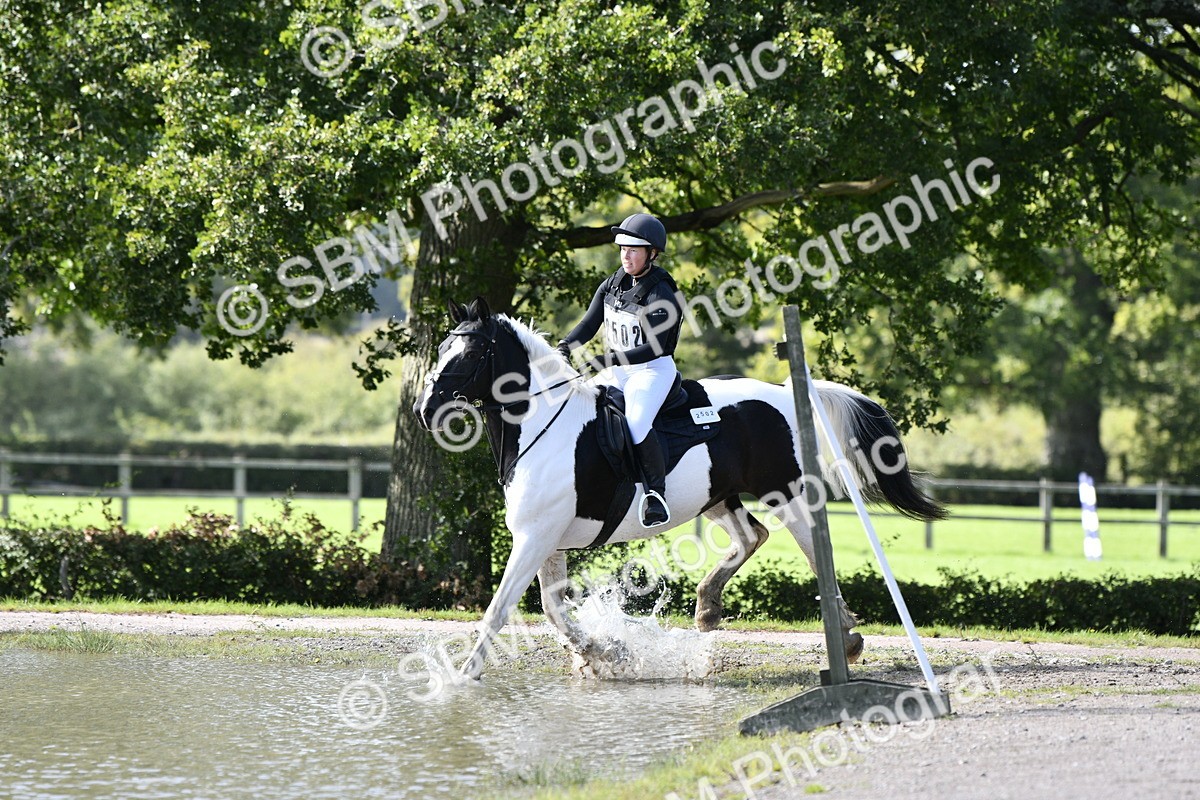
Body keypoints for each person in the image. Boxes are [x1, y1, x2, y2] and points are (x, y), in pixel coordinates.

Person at [557, 213, 684, 528]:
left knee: (637, 423)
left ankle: (655, 495)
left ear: (651, 253)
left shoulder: (662, 293)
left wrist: (608, 361)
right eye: (623, 249)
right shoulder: (614, 283)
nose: (626, 256)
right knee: (578, 404)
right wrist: (563, 348)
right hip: (618, 369)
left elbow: (657, 348)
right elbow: (589, 324)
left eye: (634, 250)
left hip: (651, 370)